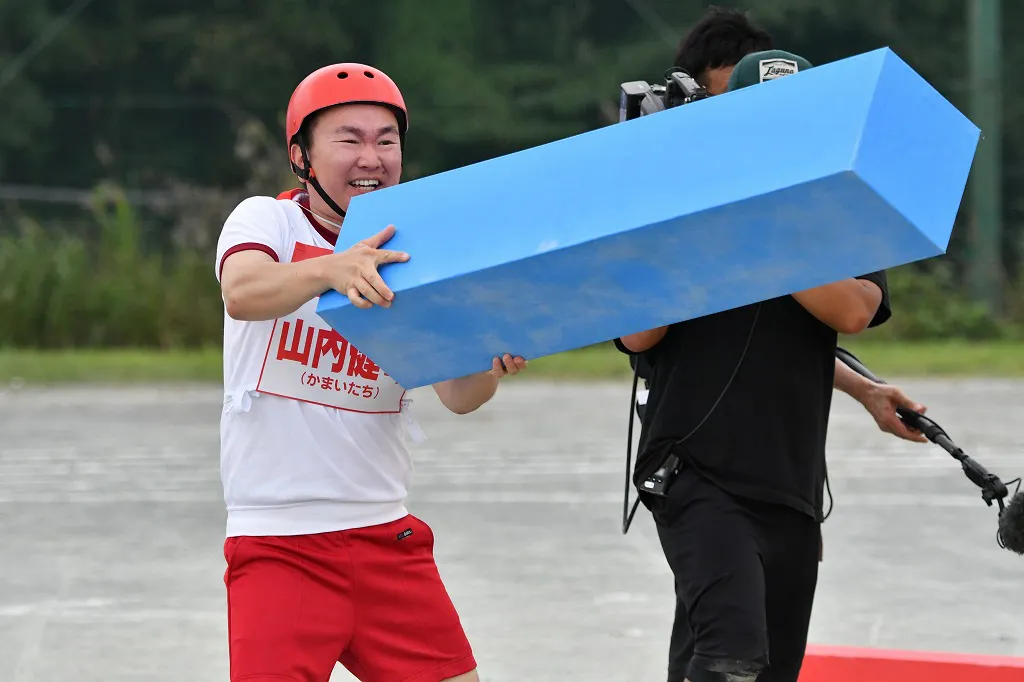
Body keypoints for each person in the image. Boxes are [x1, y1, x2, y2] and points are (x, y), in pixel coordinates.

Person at [615, 9, 927, 682]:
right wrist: (701, 217)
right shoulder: (666, 199)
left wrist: (863, 387)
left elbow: (849, 308)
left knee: (750, 662)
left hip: (788, 480)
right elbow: (639, 331)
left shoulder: (840, 206)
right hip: (691, 468)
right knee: (731, 660)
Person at [215, 62, 525, 682]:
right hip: (280, 544)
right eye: (349, 138)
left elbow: (461, 395)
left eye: (386, 140)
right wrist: (332, 269)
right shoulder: (268, 221)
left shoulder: (415, 249)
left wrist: (489, 353)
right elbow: (242, 291)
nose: (372, 156)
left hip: (387, 537)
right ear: (301, 155)